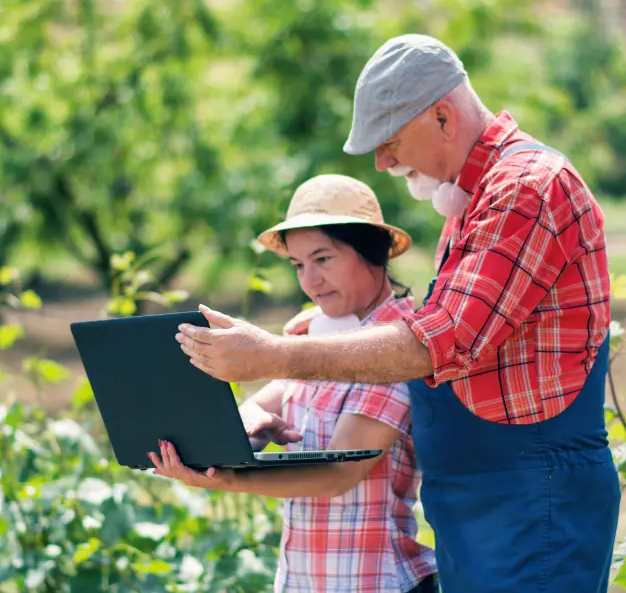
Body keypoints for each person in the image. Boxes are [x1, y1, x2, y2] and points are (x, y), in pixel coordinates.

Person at [174, 34, 621, 592]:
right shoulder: (478, 199)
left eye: (390, 142)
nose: (384, 162)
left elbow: (440, 339)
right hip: (486, 506)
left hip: (533, 498)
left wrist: (274, 354)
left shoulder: (525, 189)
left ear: (441, 115)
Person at [150, 174, 438, 593]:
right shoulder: (305, 332)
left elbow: (338, 473)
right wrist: (242, 430)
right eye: (299, 265)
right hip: (305, 579)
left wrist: (231, 479)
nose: (310, 280)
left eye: (323, 259)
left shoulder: (397, 345)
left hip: (376, 581)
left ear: (373, 253)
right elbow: (261, 405)